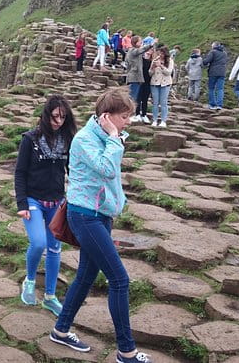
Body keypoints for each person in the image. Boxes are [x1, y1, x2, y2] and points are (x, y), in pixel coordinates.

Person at [49, 88, 152, 363]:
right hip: (85, 216)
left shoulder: (103, 137)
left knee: (86, 276)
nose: (128, 122)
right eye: (124, 117)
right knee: (119, 279)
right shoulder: (85, 139)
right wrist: (114, 138)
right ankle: (126, 352)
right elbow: (106, 169)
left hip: (100, 214)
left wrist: (113, 137)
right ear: (107, 116)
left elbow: (110, 176)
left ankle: (60, 330)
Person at [15, 95, 78, 316]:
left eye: (63, 117)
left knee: (54, 248)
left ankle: (50, 297)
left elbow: (72, 170)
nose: (58, 121)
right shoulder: (30, 139)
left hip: (57, 201)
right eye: (54, 117)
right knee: (38, 242)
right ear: (46, 115)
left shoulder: (68, 140)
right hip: (33, 200)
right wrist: (22, 203)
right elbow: (20, 172)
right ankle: (30, 280)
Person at [125, 35, 157, 122]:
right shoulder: (133, 51)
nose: (141, 43)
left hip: (137, 78)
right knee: (133, 98)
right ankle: (130, 115)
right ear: (135, 43)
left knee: (134, 97)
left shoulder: (135, 52)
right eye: (140, 41)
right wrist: (151, 44)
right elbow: (141, 50)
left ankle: (132, 115)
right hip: (134, 78)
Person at [149, 46, 175, 127]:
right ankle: (154, 120)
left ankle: (163, 120)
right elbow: (150, 73)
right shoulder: (155, 60)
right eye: (159, 53)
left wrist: (161, 66)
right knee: (155, 102)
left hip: (165, 83)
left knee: (163, 102)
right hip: (155, 83)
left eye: (162, 53)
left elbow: (168, 72)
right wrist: (153, 67)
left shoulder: (170, 61)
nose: (160, 55)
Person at [203, 41, 228, 110]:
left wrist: (203, 61)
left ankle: (212, 104)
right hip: (222, 72)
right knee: (220, 89)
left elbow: (207, 61)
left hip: (213, 72)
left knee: (211, 88)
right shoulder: (224, 53)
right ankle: (219, 105)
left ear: (214, 46)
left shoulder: (213, 52)